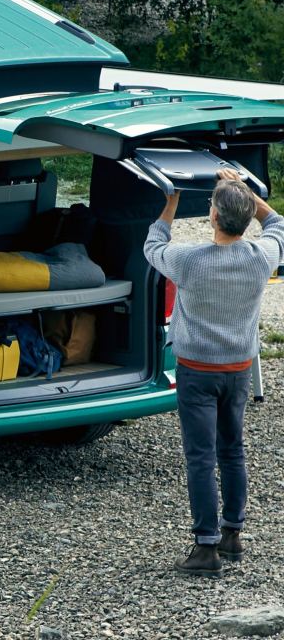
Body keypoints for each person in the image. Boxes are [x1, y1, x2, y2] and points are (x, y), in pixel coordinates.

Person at [144, 167, 284, 578]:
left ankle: (205, 549)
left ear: (213, 218)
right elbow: (276, 222)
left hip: (196, 372)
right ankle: (232, 534)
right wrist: (243, 190)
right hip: (238, 370)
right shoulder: (262, 258)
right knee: (233, 450)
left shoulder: (187, 261)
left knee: (201, 458)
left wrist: (170, 202)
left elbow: (153, 244)